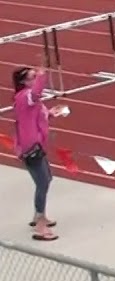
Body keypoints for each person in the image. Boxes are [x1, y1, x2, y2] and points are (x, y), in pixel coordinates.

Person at [13, 66, 62, 241]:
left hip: (38, 144)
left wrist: (50, 114)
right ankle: (40, 224)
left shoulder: (30, 99)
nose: (35, 80)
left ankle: (39, 215)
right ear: (23, 82)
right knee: (42, 183)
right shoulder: (25, 97)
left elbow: (36, 116)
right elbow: (35, 94)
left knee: (47, 179)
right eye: (32, 77)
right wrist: (42, 76)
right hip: (31, 147)